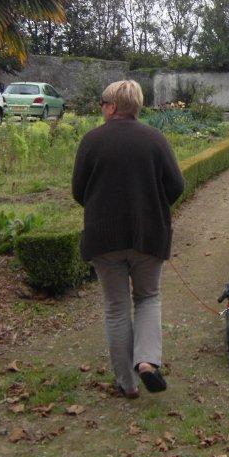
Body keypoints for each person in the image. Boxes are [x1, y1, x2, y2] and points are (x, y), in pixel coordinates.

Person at [72, 80, 184, 397]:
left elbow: (78, 191)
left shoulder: (91, 141)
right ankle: (147, 361)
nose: (101, 108)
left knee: (116, 307)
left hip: (103, 239)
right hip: (148, 236)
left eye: (102, 103)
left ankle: (127, 383)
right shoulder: (155, 139)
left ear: (111, 106)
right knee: (148, 297)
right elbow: (176, 186)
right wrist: (153, 206)